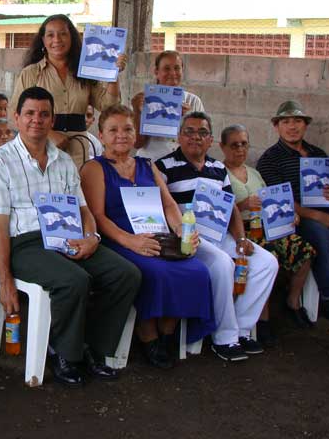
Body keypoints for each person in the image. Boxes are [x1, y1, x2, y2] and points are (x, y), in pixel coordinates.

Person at [0, 87, 140, 385]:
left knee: (125, 273)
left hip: (68, 237)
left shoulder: (64, 162)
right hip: (25, 244)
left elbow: (83, 210)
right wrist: (5, 283)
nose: (36, 120)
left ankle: (93, 347)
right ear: (16, 118)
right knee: (73, 280)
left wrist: (92, 237)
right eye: (29, 113)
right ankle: (64, 352)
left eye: (44, 114)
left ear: (52, 119)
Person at [81, 105, 215, 368]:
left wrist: (180, 229)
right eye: (113, 130)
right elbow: (97, 216)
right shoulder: (94, 169)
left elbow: (168, 206)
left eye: (128, 129)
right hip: (118, 239)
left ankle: (166, 332)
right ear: (101, 134)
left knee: (196, 270)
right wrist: (130, 241)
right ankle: (148, 336)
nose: (121, 135)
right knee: (153, 272)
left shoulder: (146, 166)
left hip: (156, 236)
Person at [155, 112, 279, 361]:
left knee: (266, 263)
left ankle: (242, 328)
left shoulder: (217, 168)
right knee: (222, 264)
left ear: (210, 139)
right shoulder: (164, 166)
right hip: (189, 239)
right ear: (180, 136)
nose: (195, 137)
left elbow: (232, 207)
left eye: (202, 132)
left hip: (220, 235)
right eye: (189, 131)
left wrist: (242, 239)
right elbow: (162, 208)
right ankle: (224, 338)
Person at [256, 101, 329, 329]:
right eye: (286, 121)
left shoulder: (317, 154)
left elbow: (328, 190)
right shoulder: (270, 159)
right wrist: (315, 215)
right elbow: (278, 201)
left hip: (328, 213)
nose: (292, 126)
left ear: (305, 125)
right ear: (277, 126)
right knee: (321, 234)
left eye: (298, 121)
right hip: (297, 218)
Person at [221, 124, 315, 337]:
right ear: (223, 147)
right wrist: (243, 204)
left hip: (266, 227)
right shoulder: (220, 173)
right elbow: (221, 210)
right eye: (234, 145)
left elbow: (272, 200)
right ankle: (262, 319)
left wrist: (290, 214)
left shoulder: (254, 173)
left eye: (244, 144)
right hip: (240, 231)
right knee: (267, 258)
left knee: (304, 249)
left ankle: (292, 302)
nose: (240, 149)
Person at [10, 14, 125, 169]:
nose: (57, 40)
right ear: (43, 40)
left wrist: (113, 73)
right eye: (50, 35)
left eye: (63, 34)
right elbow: (13, 115)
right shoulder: (30, 73)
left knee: (77, 191)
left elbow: (109, 107)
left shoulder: (85, 73)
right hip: (41, 149)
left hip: (78, 151)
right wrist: (49, 134)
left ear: (71, 38)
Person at [132, 50, 204, 162]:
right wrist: (137, 112)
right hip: (151, 163)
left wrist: (187, 120)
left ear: (182, 70)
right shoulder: (144, 101)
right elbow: (137, 143)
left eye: (177, 68)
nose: (172, 73)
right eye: (166, 68)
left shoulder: (193, 101)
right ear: (156, 72)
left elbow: (201, 144)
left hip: (182, 165)